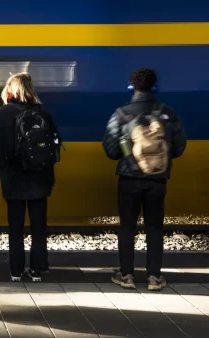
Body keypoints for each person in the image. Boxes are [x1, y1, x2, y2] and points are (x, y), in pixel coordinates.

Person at [102, 68, 187, 291]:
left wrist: (129, 152)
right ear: (155, 87)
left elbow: (111, 151)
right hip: (158, 180)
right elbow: (178, 149)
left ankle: (126, 275)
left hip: (129, 179)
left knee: (127, 227)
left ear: (131, 87)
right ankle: (154, 277)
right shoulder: (168, 113)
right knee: (154, 227)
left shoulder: (121, 114)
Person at [0, 72, 61, 283]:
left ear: (10, 90)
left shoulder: (1, 114)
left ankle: (16, 271)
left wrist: (3, 166)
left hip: (12, 179)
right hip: (40, 178)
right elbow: (56, 144)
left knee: (15, 226)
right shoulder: (44, 114)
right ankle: (37, 270)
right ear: (30, 90)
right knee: (39, 227)